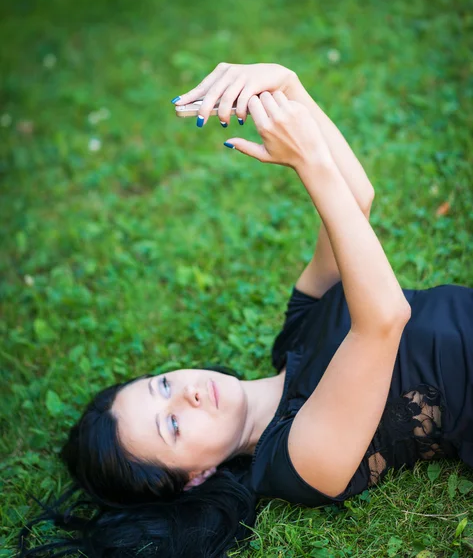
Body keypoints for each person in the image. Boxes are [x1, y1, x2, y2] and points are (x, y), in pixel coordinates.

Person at [19, 64, 473, 558]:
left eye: (163, 385)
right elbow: (383, 317)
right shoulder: (294, 464)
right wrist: (308, 163)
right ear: (195, 479)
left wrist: (284, 85)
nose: (187, 394)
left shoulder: (295, 335)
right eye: (171, 426)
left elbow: (356, 200)